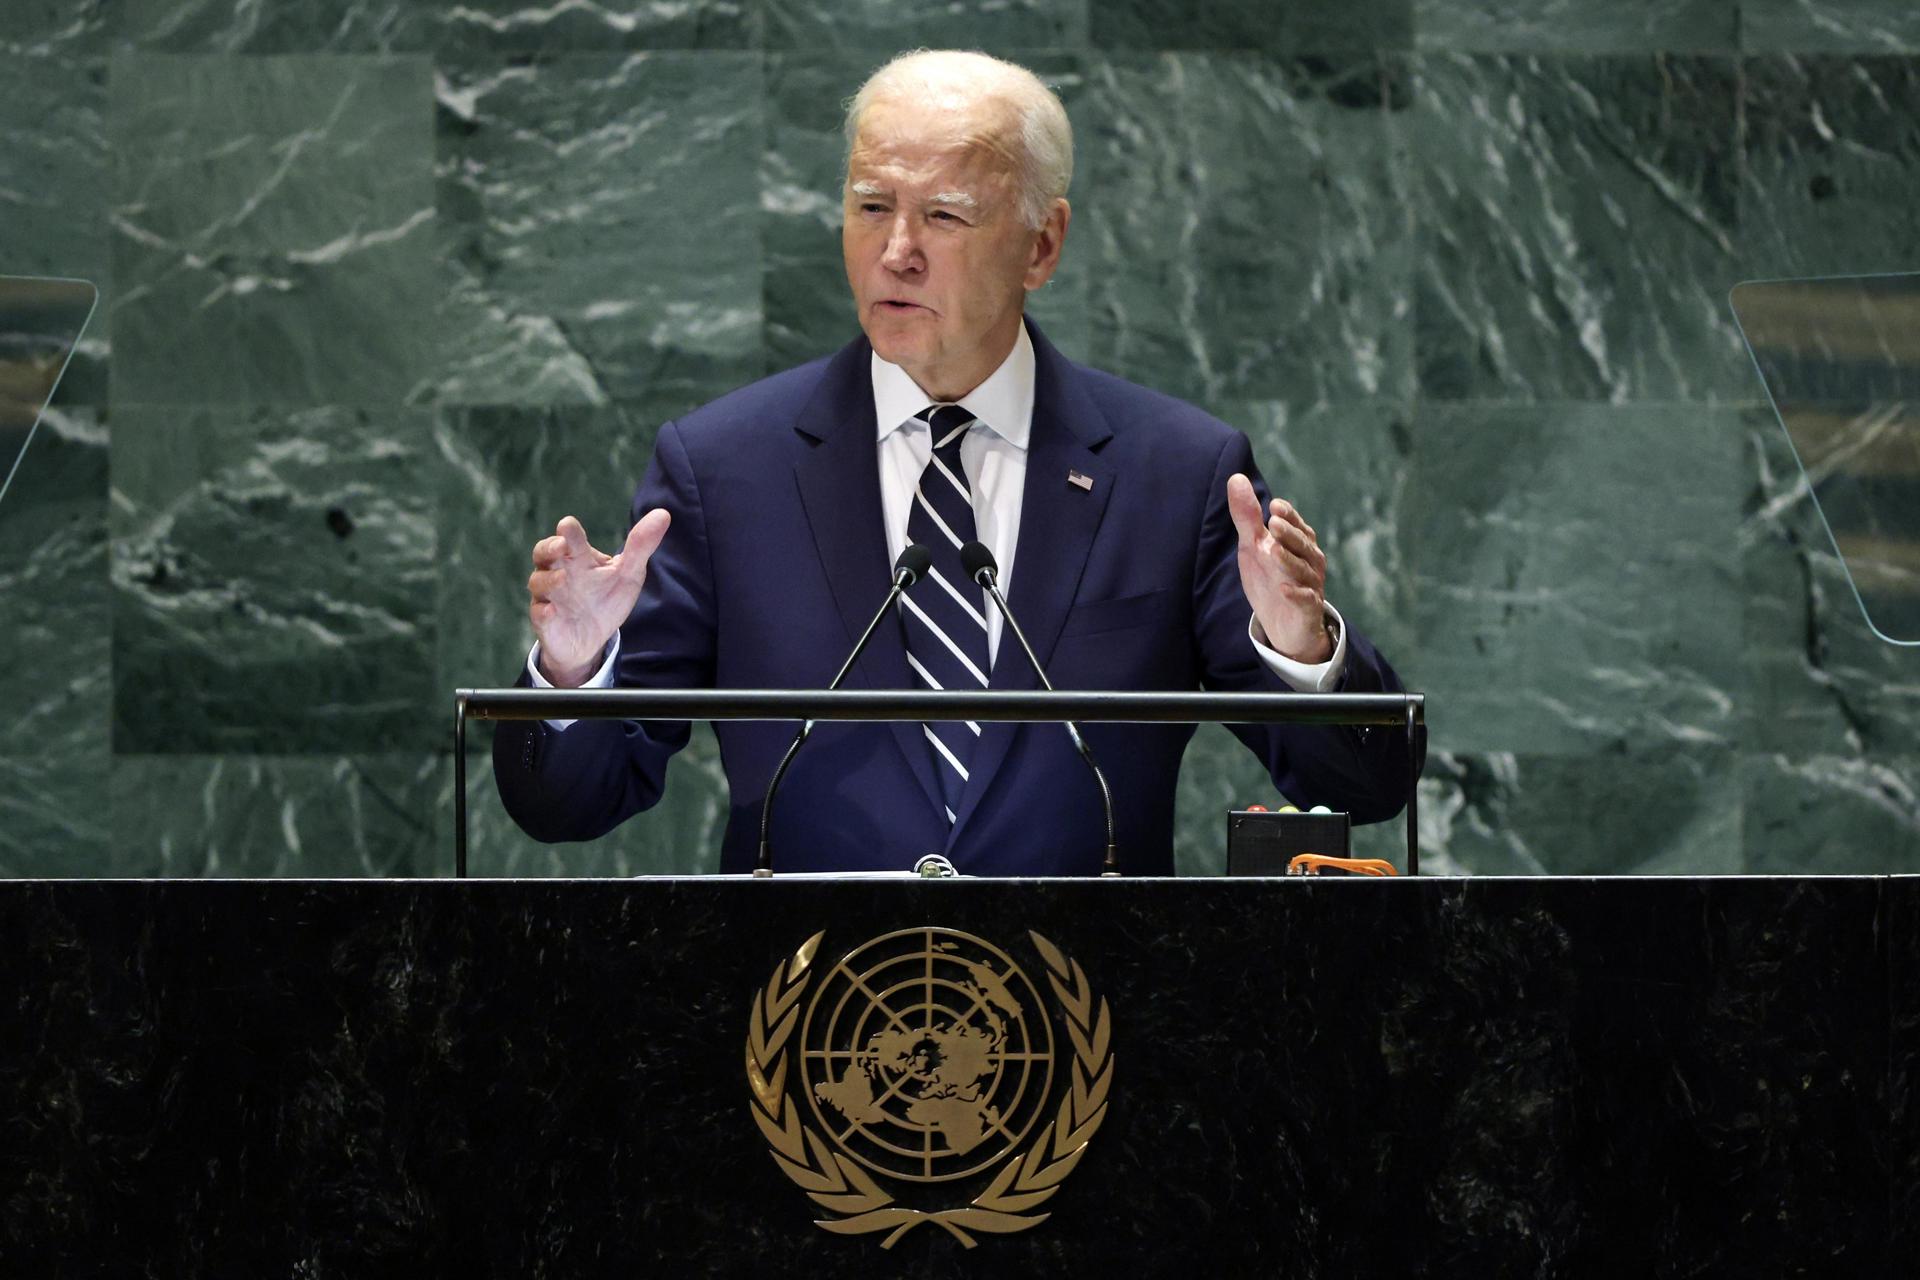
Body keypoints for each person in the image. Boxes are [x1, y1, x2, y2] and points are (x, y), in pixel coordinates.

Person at [492, 50, 1420, 875]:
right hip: (802, 1018)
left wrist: (1302, 652)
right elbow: (569, 806)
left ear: (1041, 245)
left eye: (943, 215)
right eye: (870, 208)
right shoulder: (726, 468)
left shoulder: (1175, 473)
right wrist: (573, 672)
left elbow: (1368, 785)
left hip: (1088, 1023)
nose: (896, 253)